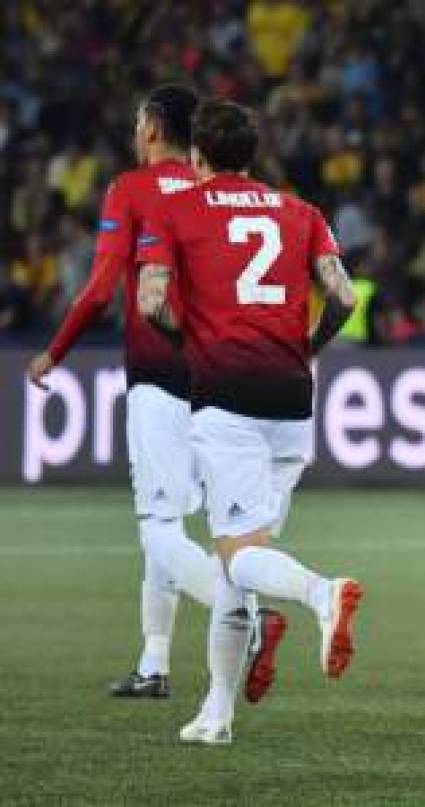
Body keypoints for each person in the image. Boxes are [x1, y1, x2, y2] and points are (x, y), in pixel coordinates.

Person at [27, 85, 286, 703]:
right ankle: (154, 662)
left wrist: (54, 351)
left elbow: (97, 288)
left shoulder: (131, 190)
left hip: (158, 373)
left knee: (158, 527)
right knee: (180, 518)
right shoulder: (213, 193)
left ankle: (244, 617)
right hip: (218, 373)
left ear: (149, 127)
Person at [134, 99, 362, 745]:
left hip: (227, 395)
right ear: (252, 156)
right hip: (291, 394)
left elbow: (152, 303)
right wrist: (310, 347)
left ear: (197, 156)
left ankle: (323, 593)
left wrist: (193, 345)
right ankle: (217, 711)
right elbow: (344, 295)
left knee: (237, 557)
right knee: (245, 553)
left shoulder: (174, 209)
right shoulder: (301, 212)